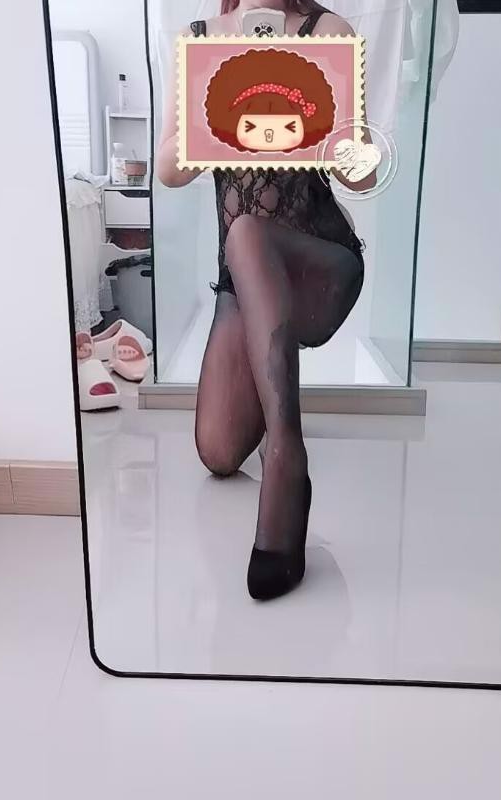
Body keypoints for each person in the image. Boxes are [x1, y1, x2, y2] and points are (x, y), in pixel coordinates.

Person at [157, 0, 375, 601]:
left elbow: (360, 174)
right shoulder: (199, 40)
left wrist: (334, 135)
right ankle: (270, 406)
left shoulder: (327, 31)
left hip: (317, 263)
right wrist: (219, 124)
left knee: (248, 232)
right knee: (219, 452)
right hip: (243, 278)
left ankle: (286, 458)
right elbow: (167, 169)